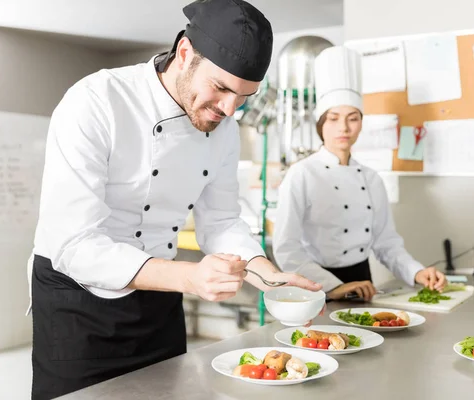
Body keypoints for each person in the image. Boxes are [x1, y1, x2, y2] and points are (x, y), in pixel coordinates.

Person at [28, 1, 321, 398]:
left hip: (160, 299)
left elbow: (220, 222)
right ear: (184, 54)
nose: (229, 109)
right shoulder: (96, 101)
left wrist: (270, 277)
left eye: (245, 97)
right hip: (77, 303)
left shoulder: (224, 126)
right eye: (220, 88)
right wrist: (190, 278)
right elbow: (74, 244)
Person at [272, 45, 445, 302]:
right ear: (321, 124)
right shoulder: (301, 174)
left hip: (362, 283)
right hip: (315, 284)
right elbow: (287, 249)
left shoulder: (371, 178)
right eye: (333, 118)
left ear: (361, 123)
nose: (344, 127)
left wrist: (417, 272)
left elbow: (387, 243)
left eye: (352, 118)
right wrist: (330, 287)